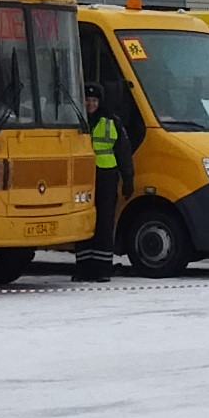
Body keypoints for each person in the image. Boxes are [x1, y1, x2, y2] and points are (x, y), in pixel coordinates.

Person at [79, 88, 121, 282]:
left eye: (94, 101)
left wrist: (127, 178)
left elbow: (123, 149)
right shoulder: (75, 119)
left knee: (104, 223)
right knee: (83, 221)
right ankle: (84, 268)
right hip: (83, 177)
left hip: (106, 176)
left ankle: (104, 268)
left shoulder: (111, 120)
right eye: (87, 100)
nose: (91, 105)